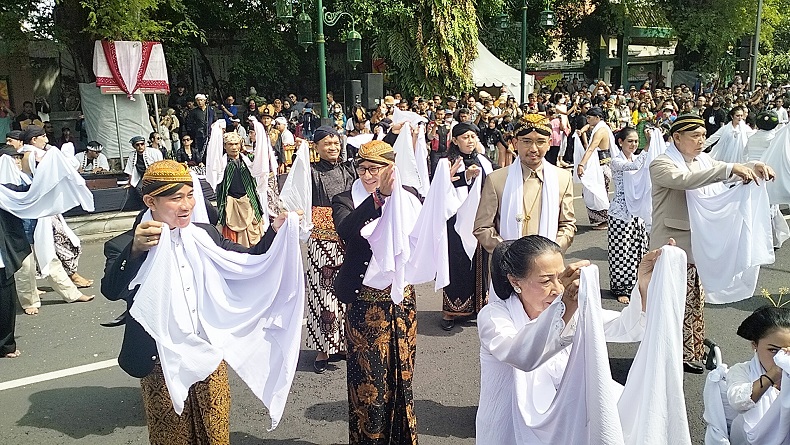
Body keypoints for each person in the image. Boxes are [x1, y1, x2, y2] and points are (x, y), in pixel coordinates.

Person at [101, 159, 301, 445]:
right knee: (171, 438)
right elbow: (111, 289)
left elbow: (247, 260)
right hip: (159, 360)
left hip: (208, 354)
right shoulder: (124, 244)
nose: (187, 205)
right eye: (175, 198)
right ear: (150, 201)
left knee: (215, 434)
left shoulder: (205, 236)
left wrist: (276, 231)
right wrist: (134, 250)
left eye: (189, 195)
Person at [476, 235, 667, 444]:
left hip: (564, 424)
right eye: (545, 281)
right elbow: (522, 355)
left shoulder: (568, 308)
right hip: (509, 427)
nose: (557, 289)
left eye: (560, 278)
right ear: (515, 281)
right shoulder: (493, 316)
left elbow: (626, 327)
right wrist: (564, 305)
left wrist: (645, 284)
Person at [649, 114, 774, 374]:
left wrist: (753, 165)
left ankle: (688, 352)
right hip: (672, 245)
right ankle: (662, 355)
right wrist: (729, 170)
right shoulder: (662, 164)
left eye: (704, 135)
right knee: (670, 303)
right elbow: (686, 180)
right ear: (676, 138)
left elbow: (723, 167)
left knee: (693, 302)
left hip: (699, 244)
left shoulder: (703, 160)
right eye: (695, 136)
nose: (701, 141)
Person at [332, 140, 419, 445]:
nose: (368, 175)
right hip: (363, 303)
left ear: (391, 168)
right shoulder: (345, 199)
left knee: (401, 375)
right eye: (362, 168)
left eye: (375, 168)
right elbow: (347, 230)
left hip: (400, 303)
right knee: (367, 383)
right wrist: (379, 198)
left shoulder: (408, 197)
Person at [474, 114, 576, 254]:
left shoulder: (562, 178)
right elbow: (482, 227)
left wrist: (553, 251)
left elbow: (567, 224)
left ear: (549, 143)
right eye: (526, 141)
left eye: (540, 141)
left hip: (548, 265)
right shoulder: (496, 179)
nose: (533, 148)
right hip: (508, 266)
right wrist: (509, 254)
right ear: (515, 143)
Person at [305, 126, 357, 373]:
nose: (333, 147)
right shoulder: (310, 172)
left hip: (349, 235)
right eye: (327, 143)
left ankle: (345, 343)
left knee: (348, 291)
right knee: (322, 293)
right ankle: (322, 348)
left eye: (336, 143)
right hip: (322, 237)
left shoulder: (350, 169)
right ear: (316, 147)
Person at [441, 122, 493, 331]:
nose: (470, 141)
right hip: (455, 221)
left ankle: (478, 306)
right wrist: (464, 177)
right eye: (465, 137)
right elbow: (440, 190)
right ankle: (451, 310)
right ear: (455, 140)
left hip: (479, 219)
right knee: (458, 263)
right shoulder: (447, 162)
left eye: (473, 136)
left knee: (480, 263)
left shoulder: (482, 160)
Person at [725, 306, 790, 445]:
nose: (781, 356)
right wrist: (773, 373)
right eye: (773, 350)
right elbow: (739, 402)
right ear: (754, 344)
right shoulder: (742, 371)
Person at [608, 127, 650, 304]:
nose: (634, 144)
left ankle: (636, 285)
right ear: (620, 142)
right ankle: (621, 289)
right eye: (630, 141)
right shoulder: (616, 161)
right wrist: (648, 145)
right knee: (621, 252)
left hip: (636, 212)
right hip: (620, 212)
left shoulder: (635, 157)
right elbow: (635, 166)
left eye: (636, 141)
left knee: (638, 250)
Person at [216, 132, 264, 246]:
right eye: (230, 144)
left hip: (248, 201)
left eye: (236, 144)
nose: (234, 147)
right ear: (224, 146)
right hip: (231, 205)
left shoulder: (247, 161)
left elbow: (261, 158)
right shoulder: (222, 165)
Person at [576, 106, 613, 230]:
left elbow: (591, 148)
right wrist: (582, 130)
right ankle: (602, 219)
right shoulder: (599, 127)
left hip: (601, 165)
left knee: (598, 192)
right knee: (592, 191)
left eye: (589, 117)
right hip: (601, 164)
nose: (587, 120)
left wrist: (581, 164)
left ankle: (606, 220)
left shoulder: (601, 130)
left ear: (597, 118)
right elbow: (588, 127)